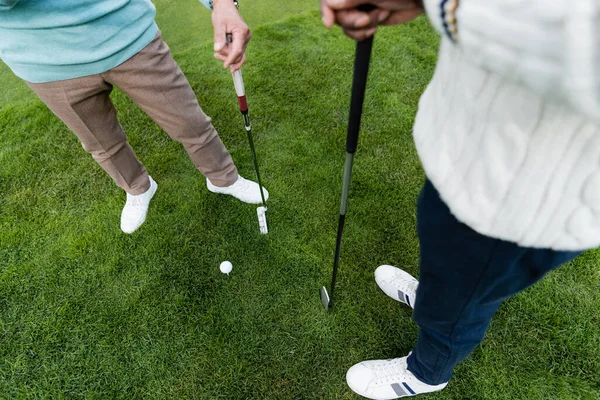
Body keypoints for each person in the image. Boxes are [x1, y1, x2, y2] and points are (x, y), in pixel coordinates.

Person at [321, 0, 600, 398]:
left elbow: (583, 39)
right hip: (478, 148)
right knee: (449, 261)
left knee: (467, 290)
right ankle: (436, 297)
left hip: (527, 189)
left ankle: (428, 371)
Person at [0, 0, 268, 233]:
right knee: (102, 144)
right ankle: (138, 188)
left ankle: (223, 179)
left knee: (191, 123)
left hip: (130, 38)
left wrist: (221, 2)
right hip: (44, 64)